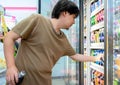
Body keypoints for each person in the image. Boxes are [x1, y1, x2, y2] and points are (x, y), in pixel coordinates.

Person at [4, 0, 102, 85]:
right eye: (73, 17)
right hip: (21, 80)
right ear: (65, 13)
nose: (74, 22)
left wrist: (96, 58)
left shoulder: (63, 39)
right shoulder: (37, 20)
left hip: (44, 82)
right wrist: (11, 67)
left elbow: (75, 55)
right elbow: (9, 37)